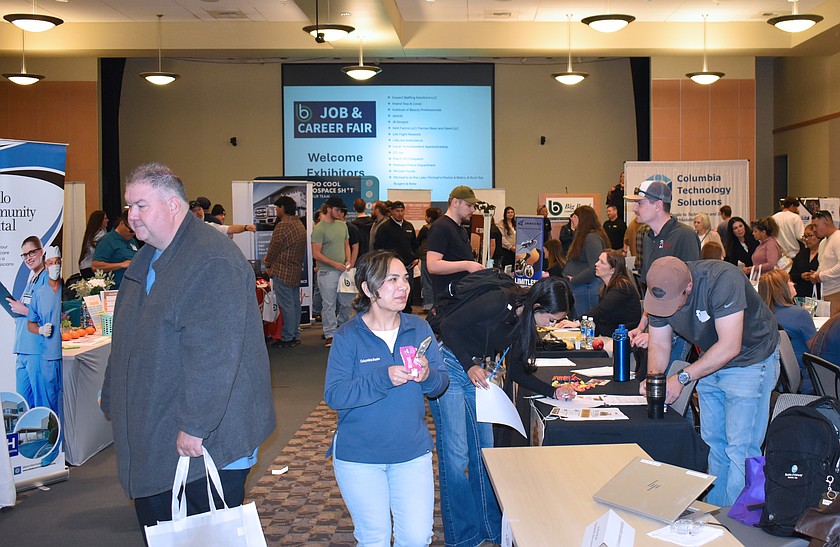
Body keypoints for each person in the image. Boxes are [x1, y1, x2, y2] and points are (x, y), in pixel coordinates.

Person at [100, 163, 275, 535]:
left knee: (204, 534)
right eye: (129, 207)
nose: (131, 216)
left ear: (173, 206)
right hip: (162, 431)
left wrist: (196, 425)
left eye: (141, 206)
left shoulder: (211, 260)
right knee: (164, 529)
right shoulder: (149, 256)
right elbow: (127, 337)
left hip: (206, 441)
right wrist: (113, 390)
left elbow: (214, 353)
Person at [430, 276, 576, 547]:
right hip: (448, 363)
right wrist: (468, 365)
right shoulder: (498, 301)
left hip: (475, 372)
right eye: (553, 319)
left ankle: (489, 526)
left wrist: (552, 392)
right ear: (538, 306)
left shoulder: (524, 324)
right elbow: (449, 326)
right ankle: (462, 535)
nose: (552, 326)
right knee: (456, 453)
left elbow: (519, 370)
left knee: (485, 450)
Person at [324, 250, 449, 546]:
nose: (404, 286)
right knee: (375, 537)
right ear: (368, 289)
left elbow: (440, 385)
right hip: (359, 457)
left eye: (405, 278)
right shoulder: (348, 336)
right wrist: (383, 377)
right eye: (392, 279)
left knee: (417, 537)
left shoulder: (418, 327)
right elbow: (335, 395)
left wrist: (427, 374)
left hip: (411, 452)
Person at [641, 256, 779, 506]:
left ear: (689, 287)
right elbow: (660, 343)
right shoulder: (661, 290)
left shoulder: (723, 280)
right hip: (709, 360)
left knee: (740, 448)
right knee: (713, 444)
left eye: (674, 303)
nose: (667, 310)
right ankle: (715, 515)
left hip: (750, 359)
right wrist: (654, 379)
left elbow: (729, 346)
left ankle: (736, 524)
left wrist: (682, 378)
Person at [624, 180, 700, 366]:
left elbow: (691, 289)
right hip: (657, 325)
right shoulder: (648, 237)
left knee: (667, 385)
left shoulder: (684, 235)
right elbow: (652, 291)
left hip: (679, 328)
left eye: (640, 203)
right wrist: (642, 326)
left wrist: (655, 332)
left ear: (658, 205)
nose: (634, 208)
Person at [6, 236, 49, 409]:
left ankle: (48, 436)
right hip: (22, 349)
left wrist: (24, 310)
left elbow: (48, 313)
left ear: (41, 251)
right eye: (24, 255)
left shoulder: (47, 278)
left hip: (36, 349)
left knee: (40, 404)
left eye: (32, 252)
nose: (28, 258)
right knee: (23, 404)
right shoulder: (32, 279)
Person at [758, 269, 816, 394]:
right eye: (789, 281)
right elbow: (817, 349)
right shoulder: (799, 314)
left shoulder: (759, 316)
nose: (793, 283)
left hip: (775, 377)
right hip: (803, 373)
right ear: (781, 288)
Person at [426, 185, 484, 308]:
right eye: (469, 205)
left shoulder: (460, 229)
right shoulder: (440, 227)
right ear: (455, 202)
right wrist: (467, 265)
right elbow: (432, 265)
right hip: (448, 300)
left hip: (461, 297)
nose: (473, 210)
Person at [559, 249, 641, 336]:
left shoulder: (622, 286)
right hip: (611, 334)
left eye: (602, 262)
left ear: (612, 270)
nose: (596, 264)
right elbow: (601, 317)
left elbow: (601, 310)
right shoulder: (608, 286)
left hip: (622, 339)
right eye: (598, 260)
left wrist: (578, 323)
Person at [264, 195, 307, 348]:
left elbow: (274, 247)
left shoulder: (283, 225)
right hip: (294, 270)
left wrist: (267, 261)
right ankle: (295, 334)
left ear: (283, 208)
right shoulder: (299, 224)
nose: (276, 210)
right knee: (294, 304)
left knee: (287, 305)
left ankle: (288, 336)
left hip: (282, 270)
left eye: (277, 207)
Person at [25, 246, 63, 414]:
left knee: (67, 399)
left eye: (57, 263)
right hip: (48, 355)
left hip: (67, 354)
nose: (54, 266)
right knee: (49, 400)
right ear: (45, 266)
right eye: (50, 263)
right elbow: (30, 323)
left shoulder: (68, 289)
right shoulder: (39, 294)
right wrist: (40, 330)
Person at [312, 196, 351, 347]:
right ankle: (330, 334)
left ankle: (342, 329)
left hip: (342, 271)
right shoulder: (320, 228)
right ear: (328, 209)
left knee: (346, 302)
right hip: (327, 272)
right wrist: (334, 264)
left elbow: (346, 245)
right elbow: (316, 253)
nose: (340, 212)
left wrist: (348, 260)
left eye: (341, 210)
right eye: (337, 210)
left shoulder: (343, 226)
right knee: (329, 304)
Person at [563, 205, 609, 319]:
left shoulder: (591, 238)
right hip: (583, 288)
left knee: (586, 323)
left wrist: (575, 279)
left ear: (581, 218)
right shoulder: (585, 237)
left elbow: (595, 266)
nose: (571, 219)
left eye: (574, 216)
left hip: (587, 289)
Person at [373, 200, 418, 312]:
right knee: (394, 293)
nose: (400, 213)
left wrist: (416, 257)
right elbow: (378, 247)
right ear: (391, 212)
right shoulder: (385, 228)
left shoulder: (409, 226)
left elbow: (415, 244)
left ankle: (407, 315)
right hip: (391, 268)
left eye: (402, 211)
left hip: (408, 266)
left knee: (408, 292)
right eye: (397, 211)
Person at [804, 210, 840, 317]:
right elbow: (823, 265)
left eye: (816, 225)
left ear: (827, 222)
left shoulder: (838, 238)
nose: (814, 229)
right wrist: (815, 274)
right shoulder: (823, 242)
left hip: (837, 291)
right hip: (825, 291)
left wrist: (820, 276)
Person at [92, 211, 139, 288]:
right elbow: (95, 266)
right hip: (115, 288)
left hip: (132, 287)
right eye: (131, 230)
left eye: (135, 231)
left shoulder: (132, 241)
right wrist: (121, 265)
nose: (133, 234)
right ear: (122, 224)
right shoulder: (107, 241)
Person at [418, 207, 441, 312]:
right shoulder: (440, 228)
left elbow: (418, 241)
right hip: (438, 259)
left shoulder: (425, 229)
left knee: (426, 282)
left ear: (429, 217)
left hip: (425, 257)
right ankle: (436, 303)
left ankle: (428, 304)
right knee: (435, 282)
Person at [790, 223, 821, 299]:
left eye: (810, 236)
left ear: (819, 236)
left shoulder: (824, 253)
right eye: (805, 236)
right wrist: (801, 276)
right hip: (800, 294)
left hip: (818, 293)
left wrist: (817, 275)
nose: (807, 239)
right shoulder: (802, 254)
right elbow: (791, 275)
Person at [78, 210, 108, 277]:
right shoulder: (99, 235)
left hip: (86, 266)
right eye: (105, 218)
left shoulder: (95, 232)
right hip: (89, 267)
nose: (107, 220)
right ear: (99, 220)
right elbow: (94, 252)